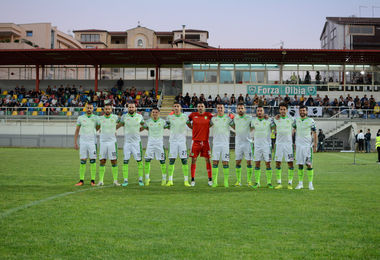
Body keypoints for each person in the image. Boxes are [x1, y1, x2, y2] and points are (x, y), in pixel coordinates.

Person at [117, 103, 145, 187]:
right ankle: (125, 180)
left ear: (135, 108)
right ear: (127, 108)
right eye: (129, 107)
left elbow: (145, 125)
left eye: (132, 107)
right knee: (125, 161)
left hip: (137, 143)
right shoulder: (124, 117)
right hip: (127, 143)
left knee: (139, 161)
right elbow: (119, 125)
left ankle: (140, 179)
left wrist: (138, 130)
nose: (131, 108)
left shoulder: (140, 117)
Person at [187, 103, 213, 186]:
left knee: (208, 159)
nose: (200, 108)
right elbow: (187, 121)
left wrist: (208, 127)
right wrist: (192, 127)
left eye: (202, 106)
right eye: (199, 106)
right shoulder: (193, 115)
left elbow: (215, 120)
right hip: (195, 141)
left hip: (205, 141)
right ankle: (193, 180)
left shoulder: (208, 115)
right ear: (197, 107)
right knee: (194, 159)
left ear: (204, 107)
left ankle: (210, 179)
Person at [166, 102, 190, 187]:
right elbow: (167, 126)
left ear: (180, 108)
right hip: (173, 142)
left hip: (182, 142)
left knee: (184, 160)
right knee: (172, 160)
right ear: (173, 108)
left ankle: (186, 181)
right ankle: (170, 180)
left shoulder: (185, 117)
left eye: (178, 106)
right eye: (175, 106)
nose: (176, 108)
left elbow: (190, 125)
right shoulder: (169, 117)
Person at [74, 103, 98, 186]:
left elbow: (98, 127)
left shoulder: (96, 118)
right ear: (85, 108)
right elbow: (77, 130)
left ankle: (93, 180)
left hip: (92, 142)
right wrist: (75, 142)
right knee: (83, 161)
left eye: (91, 108)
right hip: (83, 142)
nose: (89, 109)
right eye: (88, 108)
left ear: (93, 109)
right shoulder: (80, 118)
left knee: (93, 161)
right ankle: (81, 180)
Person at [251, 105, 275, 189]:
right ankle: (257, 182)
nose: (259, 112)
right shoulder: (254, 121)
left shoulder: (268, 120)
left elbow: (274, 127)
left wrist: (272, 118)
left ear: (263, 112)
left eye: (261, 110)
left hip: (266, 146)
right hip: (257, 146)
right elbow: (249, 129)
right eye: (258, 111)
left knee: (268, 163)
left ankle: (269, 182)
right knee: (257, 163)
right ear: (256, 112)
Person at [143, 107, 168, 186]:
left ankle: (164, 179)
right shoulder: (147, 122)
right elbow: (145, 128)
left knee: (162, 161)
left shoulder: (163, 122)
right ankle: (147, 178)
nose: (154, 114)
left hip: (159, 144)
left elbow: (169, 127)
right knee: (147, 160)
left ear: (159, 113)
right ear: (151, 113)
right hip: (150, 144)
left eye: (156, 112)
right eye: (153, 112)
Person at [97, 104, 120, 186]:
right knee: (102, 160)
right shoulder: (100, 118)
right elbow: (97, 127)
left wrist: (115, 129)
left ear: (111, 110)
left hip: (112, 142)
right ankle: (101, 180)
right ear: (104, 110)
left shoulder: (115, 117)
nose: (107, 110)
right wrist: (99, 129)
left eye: (109, 109)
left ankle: (115, 180)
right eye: (106, 109)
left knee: (113, 160)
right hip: (103, 142)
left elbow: (121, 123)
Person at [294, 105, 317, 190]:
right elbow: (293, 131)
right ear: (299, 111)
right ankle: (300, 184)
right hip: (299, 146)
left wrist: (315, 145)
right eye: (301, 110)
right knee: (300, 164)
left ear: (306, 111)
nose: (302, 112)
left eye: (304, 110)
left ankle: (310, 184)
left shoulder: (311, 121)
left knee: (309, 164)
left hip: (307, 146)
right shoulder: (296, 120)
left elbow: (314, 133)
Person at [273, 103, 295, 189]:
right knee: (278, 162)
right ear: (279, 110)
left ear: (287, 110)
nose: (282, 111)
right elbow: (269, 124)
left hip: (288, 144)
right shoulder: (275, 119)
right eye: (281, 109)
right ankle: (279, 183)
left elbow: (297, 126)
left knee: (290, 163)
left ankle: (290, 183)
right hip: (279, 144)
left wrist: (293, 132)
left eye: (284, 109)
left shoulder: (292, 119)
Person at [230, 103, 253, 186]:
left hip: (247, 143)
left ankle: (249, 181)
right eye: (239, 108)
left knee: (249, 162)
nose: (240, 109)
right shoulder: (235, 118)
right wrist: (239, 131)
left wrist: (248, 132)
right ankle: (238, 181)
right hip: (238, 143)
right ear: (237, 109)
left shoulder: (249, 118)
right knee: (238, 162)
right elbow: (232, 126)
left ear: (245, 109)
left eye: (242, 108)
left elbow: (253, 126)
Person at [210, 103, 232, 187]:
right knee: (215, 162)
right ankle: (215, 181)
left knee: (225, 162)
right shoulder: (213, 119)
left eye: (221, 108)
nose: (220, 109)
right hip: (216, 144)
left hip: (225, 144)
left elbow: (235, 126)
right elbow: (207, 125)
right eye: (218, 108)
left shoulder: (228, 119)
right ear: (216, 109)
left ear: (224, 109)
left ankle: (226, 182)